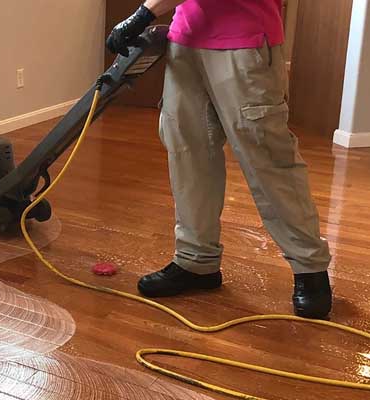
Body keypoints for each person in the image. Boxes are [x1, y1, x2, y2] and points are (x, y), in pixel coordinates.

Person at [106, 0, 332, 319]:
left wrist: (144, 13)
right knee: (189, 155)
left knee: (266, 156)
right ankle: (196, 260)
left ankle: (310, 268)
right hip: (185, 40)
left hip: (244, 42)